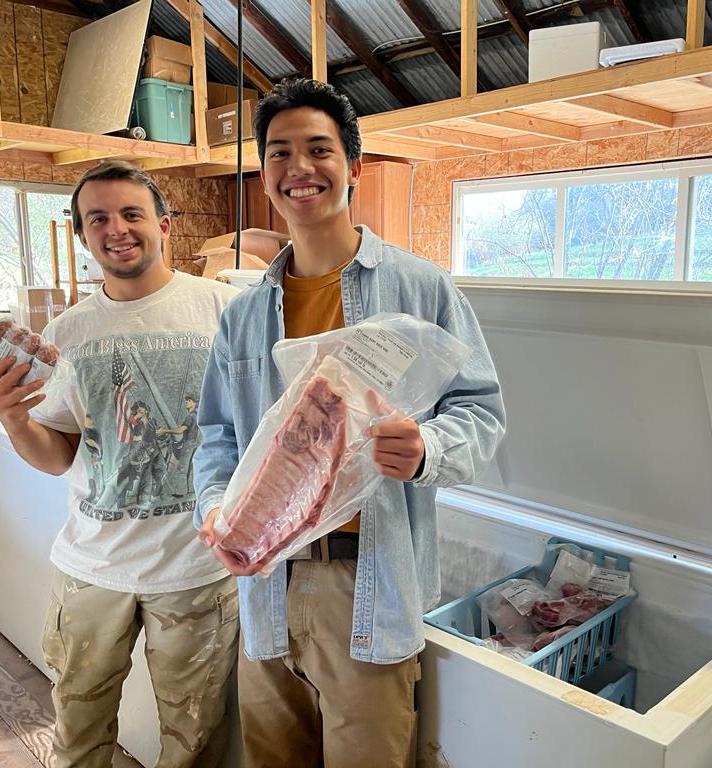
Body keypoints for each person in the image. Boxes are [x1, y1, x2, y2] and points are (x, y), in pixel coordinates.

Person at [193, 78, 506, 768]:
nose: (298, 168)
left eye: (318, 149)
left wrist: (427, 447)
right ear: (264, 175)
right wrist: (214, 505)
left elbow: (482, 413)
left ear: (355, 168)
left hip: (369, 583)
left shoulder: (421, 289)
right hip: (264, 585)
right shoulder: (242, 314)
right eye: (279, 153)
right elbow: (216, 438)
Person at [0, 160, 239, 768]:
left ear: (165, 225)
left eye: (131, 213)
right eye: (98, 218)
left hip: (197, 569)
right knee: (77, 731)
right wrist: (14, 419)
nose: (116, 229)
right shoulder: (68, 331)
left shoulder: (226, 310)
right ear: (82, 234)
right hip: (92, 568)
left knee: (197, 741)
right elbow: (58, 454)